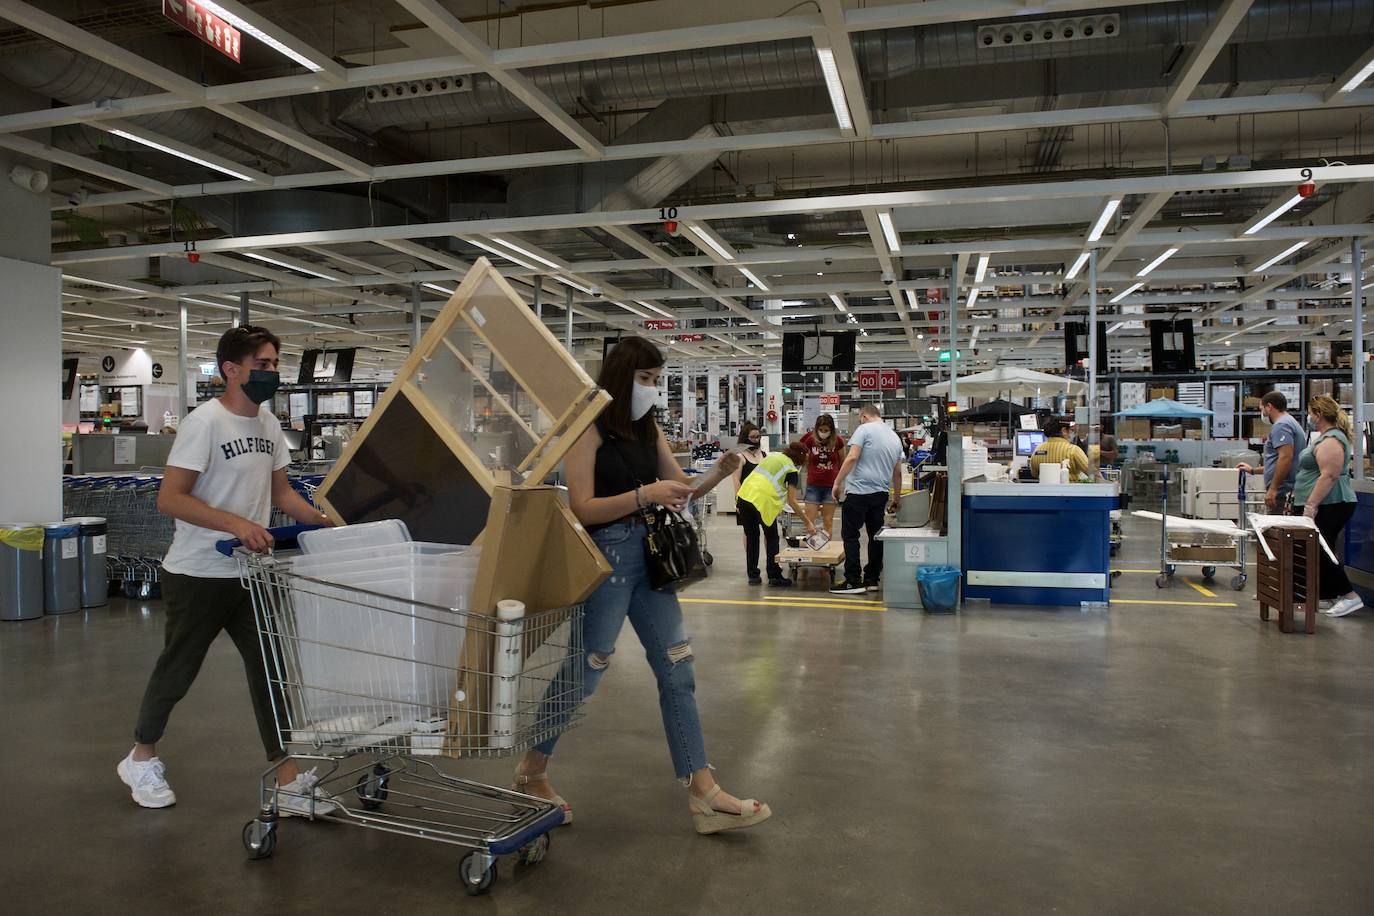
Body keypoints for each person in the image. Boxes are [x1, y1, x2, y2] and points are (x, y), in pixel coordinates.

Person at [513, 336, 770, 835]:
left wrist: (718, 473)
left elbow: (681, 492)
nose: (652, 388)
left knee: (678, 668)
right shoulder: (586, 429)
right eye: (645, 379)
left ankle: (703, 790)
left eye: (656, 380)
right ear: (621, 377)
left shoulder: (648, 429)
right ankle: (532, 769)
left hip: (651, 561)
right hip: (606, 561)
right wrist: (643, 494)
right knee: (586, 670)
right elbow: (583, 508)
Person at [118, 326, 336, 811]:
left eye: (275, 364)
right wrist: (236, 523)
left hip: (252, 573)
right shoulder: (205, 424)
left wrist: (325, 523)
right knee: (178, 669)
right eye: (262, 365)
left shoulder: (268, 426)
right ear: (231, 370)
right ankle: (141, 756)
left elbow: (282, 494)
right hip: (198, 572)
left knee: (271, 674)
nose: (272, 373)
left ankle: (287, 780)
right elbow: (170, 499)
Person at [1293, 396, 1363, 618]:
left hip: (1331, 502)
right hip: (1325, 503)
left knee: (1320, 548)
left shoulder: (1332, 439)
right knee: (1320, 548)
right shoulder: (1324, 437)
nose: (1308, 417)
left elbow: (1329, 475)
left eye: (1310, 413)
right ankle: (1328, 594)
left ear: (1319, 414)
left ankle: (1349, 595)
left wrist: (1311, 505)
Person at [829, 403, 904, 595]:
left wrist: (837, 483)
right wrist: (896, 498)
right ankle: (872, 579)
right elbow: (897, 473)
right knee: (875, 536)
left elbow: (852, 457)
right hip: (880, 494)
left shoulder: (864, 430)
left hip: (858, 492)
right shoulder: (894, 437)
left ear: (864, 416)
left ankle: (853, 580)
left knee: (851, 535)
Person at [736, 441, 816, 586]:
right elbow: (792, 501)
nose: (807, 461)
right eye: (806, 458)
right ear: (800, 456)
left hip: (744, 497)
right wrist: (807, 522)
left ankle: (753, 576)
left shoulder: (772, 456)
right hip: (763, 502)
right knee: (772, 537)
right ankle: (774, 576)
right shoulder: (791, 470)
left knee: (752, 537)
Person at [1237, 391, 1303, 513]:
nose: (1262, 413)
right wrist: (1253, 470)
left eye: (1261, 409)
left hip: (1281, 493)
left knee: (1276, 524)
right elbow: (1279, 461)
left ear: (1269, 406)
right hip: (1285, 490)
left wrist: (1273, 489)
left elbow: (1286, 458)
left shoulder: (1282, 425)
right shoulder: (1290, 422)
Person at [799, 413, 845, 533]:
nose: (823, 433)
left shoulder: (838, 441)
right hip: (813, 486)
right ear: (816, 429)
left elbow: (842, 463)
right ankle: (810, 544)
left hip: (831, 487)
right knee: (809, 522)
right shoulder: (810, 439)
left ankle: (826, 544)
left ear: (831, 430)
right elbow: (801, 452)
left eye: (826, 430)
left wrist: (839, 484)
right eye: (821, 430)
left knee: (828, 522)